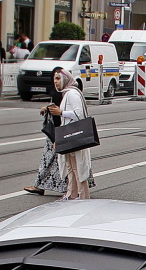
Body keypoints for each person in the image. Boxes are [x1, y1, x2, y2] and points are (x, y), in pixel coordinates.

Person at [24, 68, 94, 200]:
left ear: (65, 79)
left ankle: (82, 197)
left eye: (58, 79)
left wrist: (61, 113)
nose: (55, 82)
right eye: (54, 79)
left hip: (74, 135)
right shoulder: (66, 93)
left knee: (77, 167)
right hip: (69, 135)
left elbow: (79, 114)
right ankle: (71, 195)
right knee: (71, 167)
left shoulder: (72, 94)